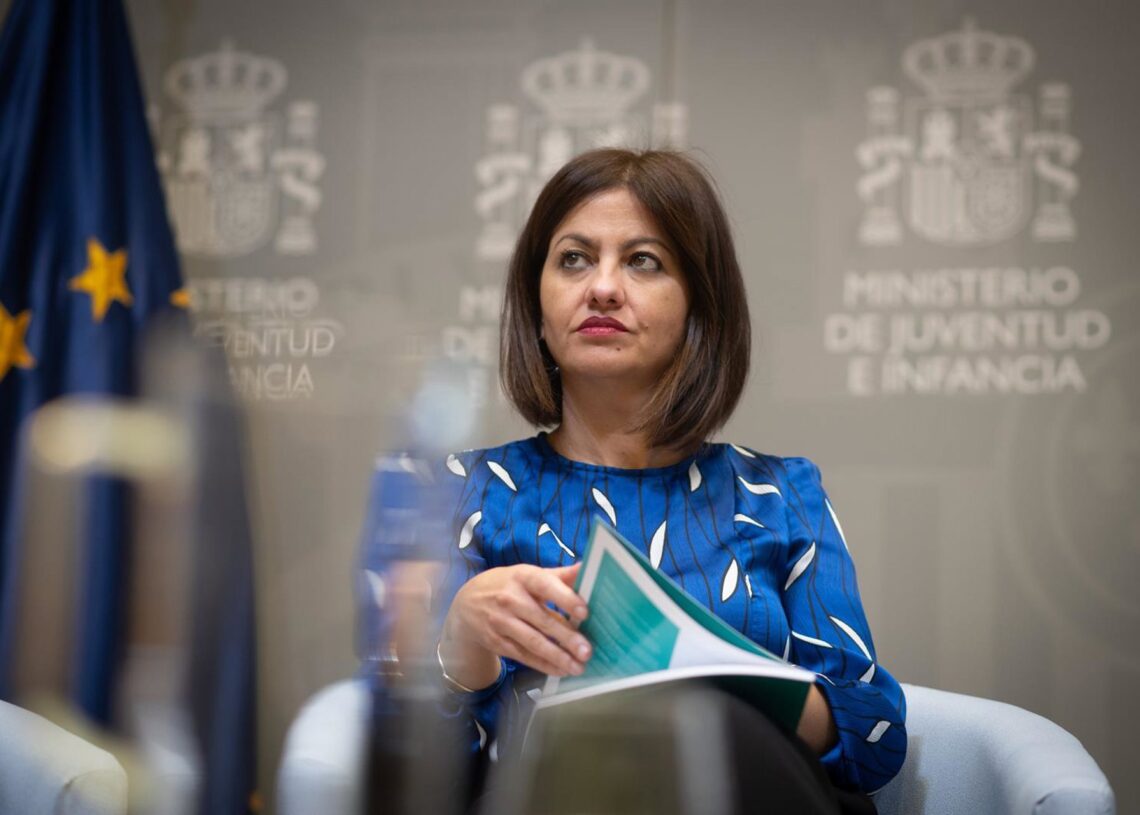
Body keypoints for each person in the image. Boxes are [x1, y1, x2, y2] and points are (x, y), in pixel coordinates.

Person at [425, 149, 905, 812]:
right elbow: (413, 776)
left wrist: (737, 694)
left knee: (707, 732)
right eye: (574, 258)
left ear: (698, 312)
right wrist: (464, 641)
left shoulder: (779, 495)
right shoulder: (463, 491)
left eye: (642, 260)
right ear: (536, 308)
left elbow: (875, 736)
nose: (602, 287)